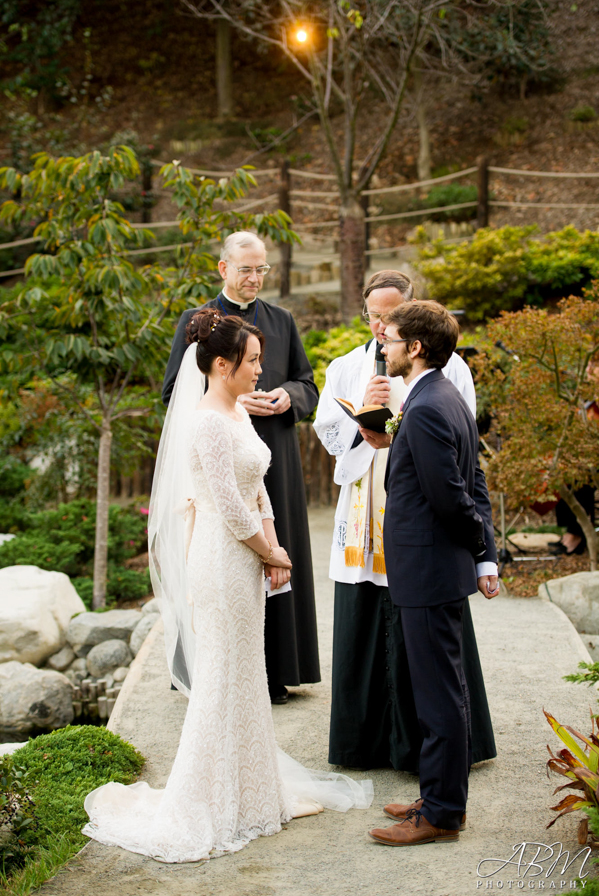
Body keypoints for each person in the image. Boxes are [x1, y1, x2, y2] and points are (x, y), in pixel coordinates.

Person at [83, 310, 372, 863]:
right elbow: (228, 506)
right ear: (222, 364)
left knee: (248, 671)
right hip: (220, 557)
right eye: (253, 361)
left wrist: (273, 549)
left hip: (248, 555)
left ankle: (252, 794)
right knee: (220, 676)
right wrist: (271, 552)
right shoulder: (207, 423)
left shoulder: (238, 411)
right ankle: (204, 801)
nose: (261, 370)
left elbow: (257, 490)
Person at [313, 270, 495, 771]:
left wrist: (480, 547)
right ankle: (364, 743)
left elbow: (459, 452)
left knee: (432, 640)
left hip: (422, 521)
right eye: (372, 316)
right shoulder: (346, 365)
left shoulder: (447, 371)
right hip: (367, 500)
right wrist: (363, 419)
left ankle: (437, 758)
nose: (379, 326)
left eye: (389, 317)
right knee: (370, 618)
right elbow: (329, 429)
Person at [162, 231, 320, 704]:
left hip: (272, 457)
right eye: (246, 269)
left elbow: (308, 383)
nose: (254, 277)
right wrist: (229, 400)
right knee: (229, 556)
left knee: (275, 546)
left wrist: (288, 395)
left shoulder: (282, 320)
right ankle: (213, 673)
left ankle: (277, 672)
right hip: (218, 453)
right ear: (223, 268)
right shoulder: (197, 321)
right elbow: (173, 394)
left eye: (261, 269)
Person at [366, 300, 498, 847]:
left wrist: (480, 547)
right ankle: (439, 795)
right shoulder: (441, 395)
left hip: (427, 567)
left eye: (391, 338)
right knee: (442, 687)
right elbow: (475, 480)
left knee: (439, 693)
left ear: (415, 347)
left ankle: (442, 813)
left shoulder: (424, 407)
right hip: (433, 567)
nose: (383, 345)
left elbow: (452, 498)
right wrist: (484, 555)